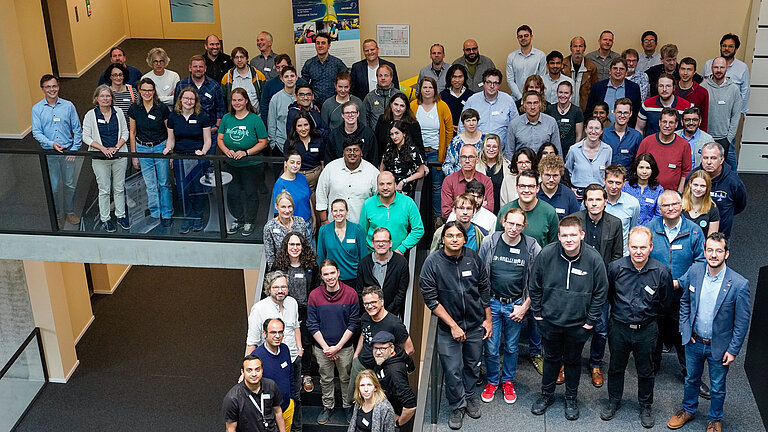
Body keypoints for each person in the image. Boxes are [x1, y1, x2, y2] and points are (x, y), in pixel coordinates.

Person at [667, 232, 751, 432]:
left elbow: (742, 322)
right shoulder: (695, 271)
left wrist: (733, 350)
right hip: (694, 341)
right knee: (691, 379)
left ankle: (714, 418)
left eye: (718, 251)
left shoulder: (739, 284)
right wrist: (684, 328)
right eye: (710, 250)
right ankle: (688, 409)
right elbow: (685, 301)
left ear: (726, 254)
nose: (714, 255)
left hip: (720, 347)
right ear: (704, 251)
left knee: (717, 385)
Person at [529, 215, 608, 420]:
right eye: (564, 235)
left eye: (573, 235)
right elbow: (534, 285)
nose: (569, 239)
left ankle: (571, 398)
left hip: (579, 325)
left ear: (582, 235)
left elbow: (601, 292)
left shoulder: (593, 258)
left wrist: (590, 321)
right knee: (551, 360)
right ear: (559, 236)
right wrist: (537, 314)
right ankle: (546, 395)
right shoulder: (546, 254)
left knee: (573, 362)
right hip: (549, 322)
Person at [600, 226, 674, 428]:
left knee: (646, 370)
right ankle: (614, 401)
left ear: (650, 247)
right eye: (634, 247)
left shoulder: (661, 272)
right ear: (628, 247)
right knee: (615, 367)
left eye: (643, 247)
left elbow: (666, 303)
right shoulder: (615, 268)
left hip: (647, 329)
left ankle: (645, 405)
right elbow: (609, 296)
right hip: (619, 327)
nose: (638, 251)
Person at [420, 221, 491, 430]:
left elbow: (484, 288)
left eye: (458, 236)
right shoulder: (432, 263)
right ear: (442, 239)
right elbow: (431, 300)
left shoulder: (473, 258)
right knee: (452, 370)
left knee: (473, 365)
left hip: (476, 324)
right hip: (448, 329)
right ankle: (457, 405)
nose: (454, 239)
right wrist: (452, 325)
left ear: (464, 239)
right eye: (449, 235)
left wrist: (488, 319)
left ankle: (469, 397)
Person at [479, 207, 541, 404]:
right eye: (510, 223)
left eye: (518, 224)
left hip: (516, 305)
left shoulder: (531, 246)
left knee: (512, 348)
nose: (513, 228)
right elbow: (480, 277)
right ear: (503, 222)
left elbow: (538, 280)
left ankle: (507, 381)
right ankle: (491, 381)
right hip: (492, 304)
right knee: (491, 346)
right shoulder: (490, 242)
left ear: (524, 226)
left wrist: (525, 307)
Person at [647, 190, 706, 378]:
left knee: (684, 335)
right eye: (666, 205)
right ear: (660, 208)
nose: (671, 208)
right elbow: (642, 257)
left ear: (681, 206)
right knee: (654, 333)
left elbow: (701, 262)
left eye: (675, 204)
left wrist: (680, 282)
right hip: (656, 293)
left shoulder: (694, 231)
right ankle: (652, 367)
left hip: (683, 294)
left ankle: (690, 374)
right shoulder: (650, 228)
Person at [574, 184, 624, 388]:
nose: (594, 203)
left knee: (601, 329)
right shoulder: (575, 220)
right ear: (584, 201)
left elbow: (617, 256)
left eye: (598, 200)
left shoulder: (615, 223)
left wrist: (606, 283)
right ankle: (566, 362)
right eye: (590, 200)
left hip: (601, 286)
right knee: (572, 327)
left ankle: (595, 364)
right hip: (577, 284)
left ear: (605, 201)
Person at [307, 259, 360, 424]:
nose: (330, 277)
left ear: (338, 273)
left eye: (332, 273)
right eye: (325, 274)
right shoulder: (314, 295)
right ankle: (327, 406)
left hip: (344, 347)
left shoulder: (351, 294)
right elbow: (311, 324)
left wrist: (337, 347)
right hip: (322, 348)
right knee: (326, 378)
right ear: (322, 277)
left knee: (346, 378)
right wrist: (326, 348)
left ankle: (347, 406)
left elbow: (353, 323)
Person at [271, 232, 320, 393]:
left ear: (303, 246)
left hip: (306, 311)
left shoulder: (311, 266)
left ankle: (305, 374)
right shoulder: (278, 267)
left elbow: (316, 288)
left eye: (298, 244)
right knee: (284, 341)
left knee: (305, 342)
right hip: (283, 311)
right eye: (291, 244)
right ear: (286, 246)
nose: (295, 248)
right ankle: (286, 372)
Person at [32, 74, 83, 228]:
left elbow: (77, 129)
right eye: (48, 87)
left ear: (58, 87)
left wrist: (74, 150)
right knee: (53, 186)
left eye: (54, 86)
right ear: (42, 89)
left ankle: (70, 211)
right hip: (49, 153)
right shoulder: (37, 109)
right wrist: (51, 143)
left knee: (69, 184)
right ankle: (58, 215)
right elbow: (36, 132)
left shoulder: (68, 106)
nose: (52, 89)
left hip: (68, 152)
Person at [348, 286, 414, 403]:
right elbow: (364, 335)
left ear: (382, 301)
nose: (370, 306)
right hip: (362, 363)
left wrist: (390, 364)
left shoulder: (395, 323)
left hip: (380, 368)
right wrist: (356, 356)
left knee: (378, 401)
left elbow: (409, 349)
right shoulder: (365, 317)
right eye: (366, 303)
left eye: (373, 302)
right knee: (356, 397)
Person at [218, 88, 269, 236]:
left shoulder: (255, 119)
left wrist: (246, 152)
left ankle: (249, 221)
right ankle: (238, 219)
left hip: (251, 165)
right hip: (232, 164)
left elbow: (263, 142)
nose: (237, 103)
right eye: (234, 100)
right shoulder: (227, 118)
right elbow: (220, 138)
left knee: (250, 194)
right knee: (233, 194)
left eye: (240, 100)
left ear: (246, 100)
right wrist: (226, 151)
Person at [83, 85, 130, 232]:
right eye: (102, 96)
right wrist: (103, 149)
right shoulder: (90, 115)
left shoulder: (119, 112)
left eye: (108, 96)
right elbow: (86, 137)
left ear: (112, 98)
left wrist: (116, 147)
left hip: (119, 156)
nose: (105, 99)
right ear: (96, 98)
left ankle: (121, 215)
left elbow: (125, 133)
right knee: (104, 190)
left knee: (119, 188)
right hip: (99, 158)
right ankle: (105, 218)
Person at [166, 87, 212, 233]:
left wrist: (203, 152)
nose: (188, 101)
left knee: (197, 189)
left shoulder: (202, 116)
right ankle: (188, 218)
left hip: (197, 158)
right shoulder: (174, 117)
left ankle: (198, 218)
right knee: (182, 190)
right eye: (186, 98)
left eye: (192, 99)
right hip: (180, 158)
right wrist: (169, 150)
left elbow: (208, 140)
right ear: (180, 99)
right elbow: (171, 139)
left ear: (195, 101)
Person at [129, 78, 173, 226]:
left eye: (150, 90)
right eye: (144, 90)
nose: (147, 93)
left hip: (161, 147)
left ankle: (167, 213)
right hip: (142, 148)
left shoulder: (161, 108)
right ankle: (155, 213)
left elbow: (169, 131)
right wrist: (134, 155)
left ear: (154, 91)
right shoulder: (134, 108)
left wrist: (170, 151)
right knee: (150, 184)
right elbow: (132, 132)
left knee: (164, 183)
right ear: (139, 91)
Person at [316, 138, 379, 225]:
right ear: (343, 153)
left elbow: (378, 199)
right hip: (333, 225)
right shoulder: (330, 169)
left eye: (356, 150)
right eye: (348, 150)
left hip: (361, 227)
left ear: (361, 153)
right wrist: (324, 221)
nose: (352, 153)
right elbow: (321, 195)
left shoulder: (372, 172)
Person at [360, 172, 425, 254]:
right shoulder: (368, 204)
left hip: (398, 255)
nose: (385, 187)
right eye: (381, 184)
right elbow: (362, 232)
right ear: (377, 186)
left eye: (389, 184)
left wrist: (402, 248)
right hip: (373, 255)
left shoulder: (407, 202)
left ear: (395, 185)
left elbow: (418, 229)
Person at [412, 76, 454, 201]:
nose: (427, 90)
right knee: (418, 186)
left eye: (430, 87)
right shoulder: (413, 105)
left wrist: (447, 149)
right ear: (420, 89)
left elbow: (449, 130)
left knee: (437, 186)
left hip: (436, 152)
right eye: (425, 87)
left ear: (435, 90)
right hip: (418, 153)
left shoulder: (442, 106)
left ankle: (437, 217)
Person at [693, 142, 746, 238]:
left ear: (721, 160)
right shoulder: (692, 177)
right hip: (694, 236)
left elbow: (740, 205)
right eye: (705, 158)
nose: (709, 162)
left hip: (721, 235)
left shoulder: (733, 182)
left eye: (713, 158)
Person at [253, 318, 297, 432]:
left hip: (287, 407)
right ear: (265, 334)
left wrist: (291, 399)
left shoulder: (285, 349)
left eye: (280, 332)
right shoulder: (257, 357)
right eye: (273, 332)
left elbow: (290, 376)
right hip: (269, 415)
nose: (277, 336)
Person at [223, 354, 286, 432]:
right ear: (242, 372)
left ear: (262, 370)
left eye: (257, 369)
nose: (254, 374)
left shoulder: (271, 386)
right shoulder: (233, 398)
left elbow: (278, 412)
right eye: (249, 370)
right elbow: (230, 429)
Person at [496, 169, 559, 248]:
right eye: (522, 186)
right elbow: (497, 241)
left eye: (531, 186)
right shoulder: (505, 210)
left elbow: (554, 246)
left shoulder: (549, 212)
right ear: (516, 188)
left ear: (537, 188)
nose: (526, 190)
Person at [357, 228, 410, 317]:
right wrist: (371, 310)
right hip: (369, 314)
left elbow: (401, 292)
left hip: (392, 315)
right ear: (373, 243)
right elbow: (359, 291)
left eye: (384, 241)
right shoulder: (364, 263)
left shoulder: (401, 262)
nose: (381, 244)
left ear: (390, 243)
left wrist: (386, 314)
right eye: (377, 241)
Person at [700, 57, 742, 170]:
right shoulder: (703, 88)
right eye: (716, 67)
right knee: (705, 170)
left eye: (722, 67)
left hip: (725, 138)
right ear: (711, 68)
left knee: (731, 172)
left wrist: (729, 138)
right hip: (706, 137)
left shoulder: (734, 90)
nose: (719, 70)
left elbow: (736, 115)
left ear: (727, 69)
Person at [637, 108, 692, 192]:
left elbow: (686, 172)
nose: (667, 125)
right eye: (664, 122)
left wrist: (679, 193)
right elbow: (637, 167)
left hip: (672, 195)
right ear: (659, 123)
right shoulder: (646, 142)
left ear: (676, 124)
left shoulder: (684, 145)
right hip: (648, 193)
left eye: (671, 122)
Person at [173, 55, 227, 142]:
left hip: (210, 132)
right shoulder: (181, 85)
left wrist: (216, 127)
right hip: (187, 134)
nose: (198, 69)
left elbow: (221, 109)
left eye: (201, 66)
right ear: (190, 68)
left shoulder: (214, 86)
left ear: (205, 68)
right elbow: (176, 109)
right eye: (195, 66)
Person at [370, 331, 417, 429]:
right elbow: (411, 368)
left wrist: (398, 423)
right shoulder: (395, 355)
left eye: (382, 348)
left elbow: (410, 405)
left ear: (392, 348)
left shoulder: (394, 373)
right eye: (375, 348)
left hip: (392, 416)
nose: (378, 352)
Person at [317, 199, 366, 289]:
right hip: (331, 280)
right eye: (335, 210)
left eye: (341, 210)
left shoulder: (357, 229)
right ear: (331, 212)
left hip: (354, 279)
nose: (338, 213)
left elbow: (363, 257)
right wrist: (322, 278)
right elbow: (320, 257)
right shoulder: (324, 230)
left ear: (347, 211)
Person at [460, 68, 518, 145]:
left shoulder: (508, 100)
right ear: (484, 84)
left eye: (495, 83)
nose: (492, 86)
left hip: (501, 151)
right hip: (476, 151)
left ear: (499, 85)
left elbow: (516, 126)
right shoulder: (472, 100)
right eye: (489, 82)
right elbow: (462, 125)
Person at [584, 58, 642, 127]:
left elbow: (636, 112)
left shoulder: (633, 88)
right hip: (600, 131)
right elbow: (589, 111)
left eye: (621, 69)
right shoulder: (598, 87)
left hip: (626, 131)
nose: (618, 71)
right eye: (615, 68)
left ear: (626, 72)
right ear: (609, 71)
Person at [703, 33, 750, 117]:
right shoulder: (708, 64)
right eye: (724, 46)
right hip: (710, 113)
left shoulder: (742, 67)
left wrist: (738, 113)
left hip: (732, 114)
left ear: (736, 48)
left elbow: (745, 93)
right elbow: (701, 88)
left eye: (730, 46)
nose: (726, 49)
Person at [441, 144, 494, 219]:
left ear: (477, 159)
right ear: (459, 159)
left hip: (481, 225)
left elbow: (489, 209)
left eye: (471, 157)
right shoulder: (449, 181)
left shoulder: (486, 181)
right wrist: (479, 207)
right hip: (456, 225)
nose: (467, 161)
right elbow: (446, 212)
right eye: (464, 157)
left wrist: (458, 209)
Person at [565, 117, 613, 197]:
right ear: (585, 130)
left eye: (597, 128)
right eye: (590, 128)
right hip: (578, 194)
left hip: (599, 194)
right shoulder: (574, 149)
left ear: (601, 131)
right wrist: (570, 188)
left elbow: (608, 173)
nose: (593, 132)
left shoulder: (607, 150)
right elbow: (567, 171)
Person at [264, 191, 312, 268]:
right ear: (276, 207)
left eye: (289, 206)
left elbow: (308, 246)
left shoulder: (300, 222)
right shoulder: (270, 227)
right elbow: (270, 256)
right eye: (283, 207)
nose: (287, 210)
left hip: (301, 267)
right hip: (281, 269)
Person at [506, 91, 561, 157]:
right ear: (524, 105)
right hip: (523, 165)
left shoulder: (551, 122)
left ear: (540, 104)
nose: (532, 107)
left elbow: (557, 151)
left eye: (535, 103)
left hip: (545, 165)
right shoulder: (514, 124)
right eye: (529, 103)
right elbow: (509, 152)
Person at [380, 121, 427, 196]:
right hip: (389, 184)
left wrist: (404, 181)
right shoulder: (389, 148)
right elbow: (382, 168)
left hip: (405, 184)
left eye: (397, 133)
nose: (394, 137)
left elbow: (420, 172)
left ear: (404, 133)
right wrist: (386, 181)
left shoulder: (412, 150)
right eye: (392, 134)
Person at [374, 93, 423, 165]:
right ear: (391, 104)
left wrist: (422, 164)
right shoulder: (382, 120)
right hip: (384, 163)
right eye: (396, 104)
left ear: (406, 108)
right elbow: (376, 143)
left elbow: (419, 146)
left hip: (407, 164)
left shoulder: (413, 124)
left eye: (402, 106)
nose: (398, 108)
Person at [284, 109, 326, 190]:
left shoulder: (318, 140)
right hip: (296, 178)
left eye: (306, 125)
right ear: (295, 128)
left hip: (316, 179)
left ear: (310, 125)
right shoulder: (290, 142)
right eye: (299, 126)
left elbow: (322, 162)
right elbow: (286, 165)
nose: (303, 129)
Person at [604, 164, 641, 254]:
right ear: (604, 180)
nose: (613, 187)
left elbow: (632, 230)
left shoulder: (633, 204)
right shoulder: (594, 201)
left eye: (618, 183)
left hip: (622, 255)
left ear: (624, 183)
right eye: (610, 182)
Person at [326, 100, 377, 164]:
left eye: (353, 112)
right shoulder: (334, 135)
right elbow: (329, 159)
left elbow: (373, 159)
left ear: (358, 114)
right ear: (342, 115)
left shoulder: (368, 134)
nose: (350, 115)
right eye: (347, 113)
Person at [505, 25, 547, 103]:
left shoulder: (541, 56)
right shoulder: (511, 57)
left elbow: (541, 78)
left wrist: (532, 98)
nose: (523, 38)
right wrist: (521, 98)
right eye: (520, 36)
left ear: (531, 37)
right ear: (517, 38)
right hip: (517, 99)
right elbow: (510, 80)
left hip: (535, 100)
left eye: (526, 36)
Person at [271, 150, 313, 223]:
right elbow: (278, 210)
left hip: (308, 221)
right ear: (285, 163)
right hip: (292, 224)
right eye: (292, 162)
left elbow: (308, 199)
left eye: (298, 163)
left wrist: (314, 218)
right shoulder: (280, 184)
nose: (295, 166)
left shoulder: (302, 177)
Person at [544, 81, 584, 157]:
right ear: (557, 93)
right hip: (552, 152)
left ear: (571, 94)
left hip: (570, 151)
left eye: (566, 93)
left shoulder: (577, 111)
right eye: (560, 92)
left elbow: (579, 136)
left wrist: (573, 152)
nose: (563, 95)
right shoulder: (549, 109)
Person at [623, 153, 664, 226]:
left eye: (648, 168)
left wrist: (646, 227)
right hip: (626, 228)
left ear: (652, 170)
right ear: (636, 168)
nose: (644, 172)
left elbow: (659, 214)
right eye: (641, 167)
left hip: (649, 229)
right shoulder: (626, 186)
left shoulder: (658, 189)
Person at [602, 98, 643, 170]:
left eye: (625, 113)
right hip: (607, 177)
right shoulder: (603, 134)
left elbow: (638, 161)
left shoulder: (636, 136)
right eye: (619, 112)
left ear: (630, 114)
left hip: (628, 179)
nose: (622, 116)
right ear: (614, 112)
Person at [261, 54, 300, 125]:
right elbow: (264, 106)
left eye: (283, 66)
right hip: (279, 127)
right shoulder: (269, 85)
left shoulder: (301, 83)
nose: (281, 70)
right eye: (278, 67)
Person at [537, 154, 579, 219]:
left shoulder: (569, 195)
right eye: (547, 175)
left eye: (555, 176)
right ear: (541, 174)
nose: (551, 179)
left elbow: (575, 222)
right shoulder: (533, 193)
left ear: (560, 175)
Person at [443, 109, 484, 176]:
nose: (471, 124)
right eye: (468, 121)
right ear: (463, 123)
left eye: (474, 120)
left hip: (480, 178)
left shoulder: (485, 140)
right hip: (459, 177)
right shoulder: (456, 142)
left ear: (477, 122)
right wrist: (455, 179)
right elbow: (447, 164)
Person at [563, 36, 599, 111]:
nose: (578, 49)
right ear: (571, 48)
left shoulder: (591, 67)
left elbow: (595, 91)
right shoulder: (562, 65)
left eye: (581, 46)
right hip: (564, 108)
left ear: (584, 48)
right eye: (575, 46)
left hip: (584, 110)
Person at [268, 66, 298, 156]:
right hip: (280, 144)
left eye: (292, 76)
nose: (289, 79)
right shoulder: (275, 99)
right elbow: (271, 123)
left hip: (300, 145)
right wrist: (273, 144)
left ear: (296, 77)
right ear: (282, 79)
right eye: (286, 76)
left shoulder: (303, 97)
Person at [475, 134, 509, 214]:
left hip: (501, 209)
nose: (491, 149)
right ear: (483, 147)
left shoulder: (507, 166)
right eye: (488, 146)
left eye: (494, 147)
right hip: (481, 210)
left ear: (499, 148)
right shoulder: (475, 166)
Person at [682, 170, 720, 236]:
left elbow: (711, 240)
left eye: (702, 186)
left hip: (702, 245)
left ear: (707, 187)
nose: (698, 189)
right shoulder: (679, 203)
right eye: (695, 185)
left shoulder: (712, 209)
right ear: (690, 184)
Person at [675, 57, 709, 131]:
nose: (685, 73)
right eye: (683, 69)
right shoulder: (671, 89)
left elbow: (704, 119)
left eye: (689, 70)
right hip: (672, 133)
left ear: (694, 72)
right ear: (679, 70)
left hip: (692, 134)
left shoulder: (702, 92)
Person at [440, 64, 474, 132]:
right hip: (447, 132)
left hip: (467, 133)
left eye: (460, 77)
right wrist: (450, 126)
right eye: (454, 77)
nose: (457, 80)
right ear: (449, 78)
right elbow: (440, 117)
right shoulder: (442, 95)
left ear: (464, 78)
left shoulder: (472, 96)